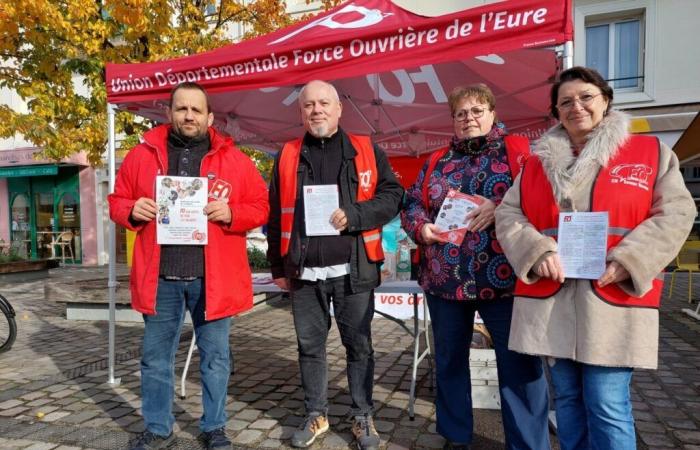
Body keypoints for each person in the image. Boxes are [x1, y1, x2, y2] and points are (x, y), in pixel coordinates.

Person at [495, 66, 696, 450]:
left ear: (605, 100)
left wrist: (631, 259)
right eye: (565, 101)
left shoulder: (650, 152)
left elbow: (676, 212)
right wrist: (537, 251)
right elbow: (508, 214)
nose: (577, 107)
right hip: (555, 301)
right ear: (556, 112)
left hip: (613, 296)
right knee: (568, 400)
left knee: (607, 403)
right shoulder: (535, 164)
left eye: (586, 97)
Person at [109, 82, 269, 450]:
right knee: (155, 360)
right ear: (169, 113)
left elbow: (261, 206)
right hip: (160, 278)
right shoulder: (142, 155)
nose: (189, 116)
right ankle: (158, 426)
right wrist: (131, 210)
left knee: (215, 359)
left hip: (212, 279)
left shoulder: (234, 160)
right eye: (182, 109)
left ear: (210, 117)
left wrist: (232, 213)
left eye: (196, 110)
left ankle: (214, 427)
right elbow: (117, 200)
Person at [401, 84, 551, 450]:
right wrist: (422, 228)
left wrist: (500, 205)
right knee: (450, 362)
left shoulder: (519, 155)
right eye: (461, 113)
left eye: (476, 110)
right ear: (453, 120)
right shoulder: (437, 161)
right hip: (445, 281)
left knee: (520, 365)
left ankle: (528, 442)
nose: (469, 118)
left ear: (492, 112)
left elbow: (542, 199)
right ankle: (455, 435)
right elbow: (411, 204)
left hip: (505, 281)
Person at [266, 80, 403, 450]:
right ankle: (317, 414)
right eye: (309, 105)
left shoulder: (366, 149)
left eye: (324, 103)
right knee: (309, 347)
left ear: (340, 108)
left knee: (359, 346)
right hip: (305, 273)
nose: (317, 110)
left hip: (353, 270)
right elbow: (275, 215)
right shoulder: (288, 154)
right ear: (301, 112)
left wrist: (356, 214)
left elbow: (394, 196)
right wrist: (279, 267)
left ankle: (361, 414)